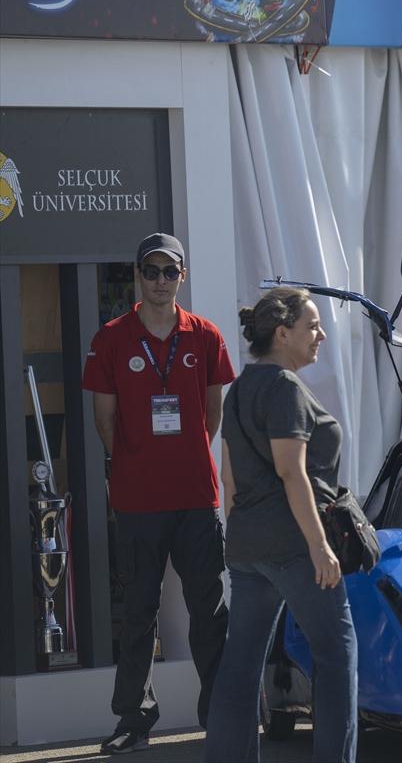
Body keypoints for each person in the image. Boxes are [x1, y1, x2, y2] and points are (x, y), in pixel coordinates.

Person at [83, 233, 234, 755]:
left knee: (209, 609)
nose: (160, 280)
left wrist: (183, 455)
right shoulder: (111, 339)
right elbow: (105, 422)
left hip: (196, 496)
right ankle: (133, 720)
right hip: (138, 500)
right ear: (137, 276)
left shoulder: (206, 336)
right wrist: (140, 462)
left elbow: (211, 414)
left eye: (170, 272)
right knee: (138, 612)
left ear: (182, 277)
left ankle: (221, 714)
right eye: (151, 270)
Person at [204, 288, 357, 763]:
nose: (320, 334)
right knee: (336, 653)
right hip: (293, 543)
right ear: (282, 332)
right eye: (312, 326)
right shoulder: (285, 389)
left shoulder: (241, 387)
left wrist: (244, 537)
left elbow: (229, 477)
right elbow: (291, 471)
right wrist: (319, 547)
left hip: (249, 542)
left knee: (241, 663)